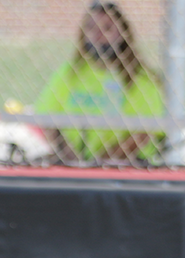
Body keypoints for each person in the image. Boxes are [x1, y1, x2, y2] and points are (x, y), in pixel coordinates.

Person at [34, 1, 165, 166]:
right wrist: (72, 160)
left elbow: (144, 132)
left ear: (122, 34)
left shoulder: (139, 78)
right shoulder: (71, 72)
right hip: (72, 161)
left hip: (125, 165)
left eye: (107, 28)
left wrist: (101, 164)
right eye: (91, 28)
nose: (98, 35)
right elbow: (46, 118)